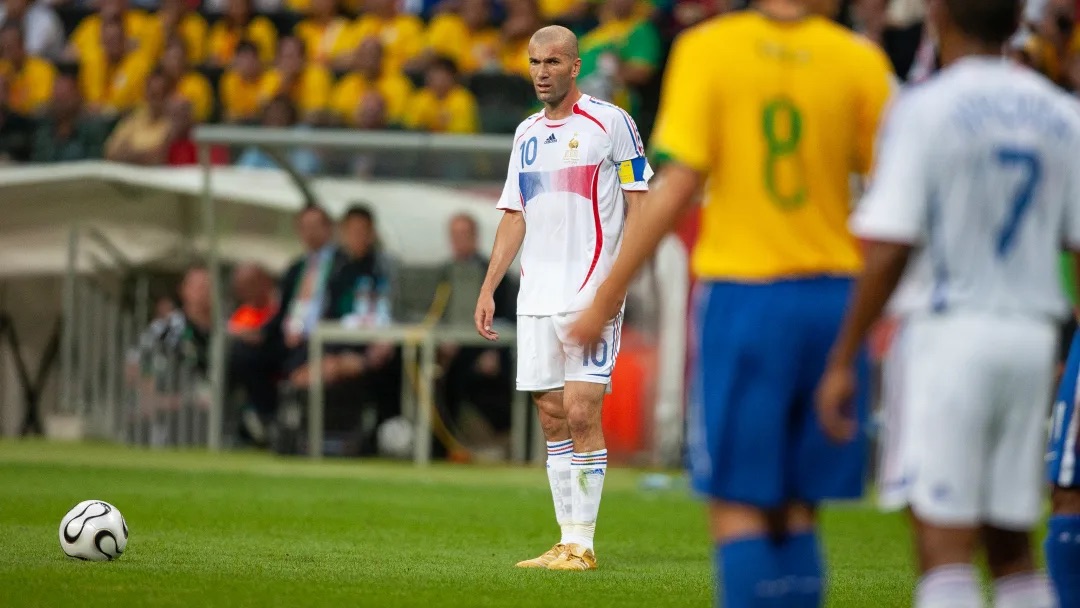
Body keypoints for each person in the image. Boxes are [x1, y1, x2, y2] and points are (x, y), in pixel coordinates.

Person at [570, 0, 893, 603]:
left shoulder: (709, 49)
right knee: (800, 507)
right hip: (833, 300)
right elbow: (892, 196)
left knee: (739, 504)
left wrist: (606, 296)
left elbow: (681, 183)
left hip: (747, 298)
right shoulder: (860, 61)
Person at [813, 0, 1078, 606]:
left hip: (950, 333)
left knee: (943, 540)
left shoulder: (924, 109)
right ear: (1018, 23)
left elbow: (890, 246)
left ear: (936, 15)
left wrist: (844, 355)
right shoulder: (1063, 115)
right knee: (1012, 540)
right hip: (1032, 339)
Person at [474, 25, 652, 571]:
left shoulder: (611, 123)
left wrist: (620, 283)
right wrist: (488, 286)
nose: (542, 72)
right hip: (536, 297)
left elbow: (639, 201)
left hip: (593, 291)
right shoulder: (525, 133)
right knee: (551, 416)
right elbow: (514, 214)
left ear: (575, 66)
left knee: (581, 410)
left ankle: (584, 542)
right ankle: (564, 541)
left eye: (553, 61)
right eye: (534, 62)